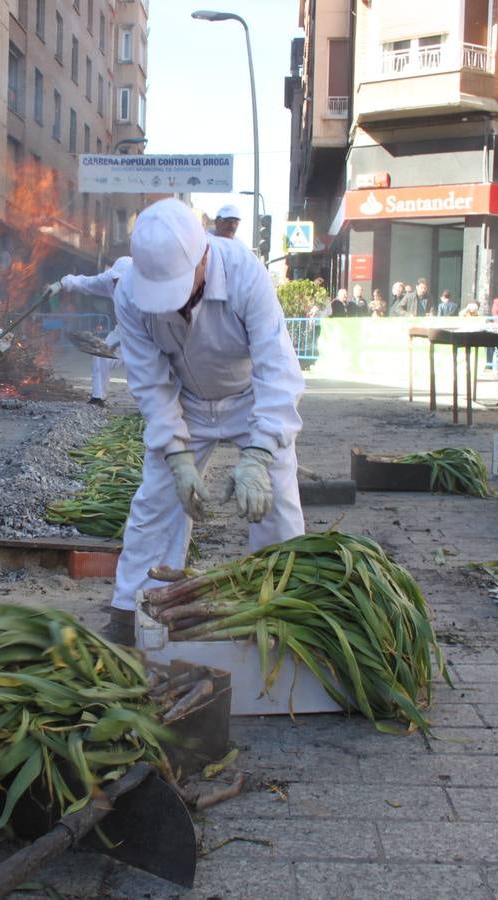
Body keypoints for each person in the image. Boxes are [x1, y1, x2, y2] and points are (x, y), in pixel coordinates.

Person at [104, 198, 305, 645]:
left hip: (249, 399)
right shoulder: (130, 293)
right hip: (187, 403)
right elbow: (151, 383)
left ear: (203, 256)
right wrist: (176, 455)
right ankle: (133, 610)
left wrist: (257, 453)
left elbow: (278, 368)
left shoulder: (244, 272)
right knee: (155, 503)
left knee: (277, 504)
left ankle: (282, 609)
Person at [50, 256, 131, 406]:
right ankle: (98, 397)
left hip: (146, 336)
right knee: (100, 355)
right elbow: (85, 283)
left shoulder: (147, 286)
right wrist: (60, 284)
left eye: (120, 280)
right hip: (122, 334)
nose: (116, 283)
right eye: (115, 280)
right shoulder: (108, 281)